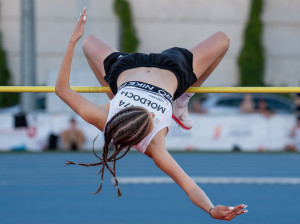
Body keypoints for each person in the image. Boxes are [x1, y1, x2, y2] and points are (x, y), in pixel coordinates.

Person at [55, 8, 247, 221]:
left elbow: (62, 90)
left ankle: (115, 94)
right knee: (223, 40)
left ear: (123, 112)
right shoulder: (155, 147)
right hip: (171, 69)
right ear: (150, 131)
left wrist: (72, 41)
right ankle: (181, 100)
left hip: (126, 67)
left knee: (88, 41)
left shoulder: (103, 118)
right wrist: (211, 209)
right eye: (152, 117)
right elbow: (190, 187)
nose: (152, 113)